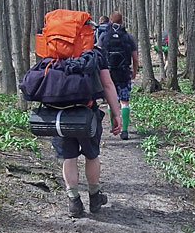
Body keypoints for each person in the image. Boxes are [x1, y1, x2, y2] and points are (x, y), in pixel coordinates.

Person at [50, 46, 122, 218]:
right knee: (92, 155)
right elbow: (107, 84)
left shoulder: (52, 49)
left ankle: (73, 201)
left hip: (59, 114)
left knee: (69, 157)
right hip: (87, 113)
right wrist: (116, 113)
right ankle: (94, 197)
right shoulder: (95, 52)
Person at [98, 11, 139, 140]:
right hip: (124, 72)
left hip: (109, 73)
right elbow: (135, 58)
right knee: (124, 101)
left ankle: (113, 126)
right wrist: (135, 71)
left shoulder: (104, 36)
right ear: (122, 22)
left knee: (112, 99)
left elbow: (98, 54)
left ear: (110, 21)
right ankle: (125, 130)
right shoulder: (128, 37)